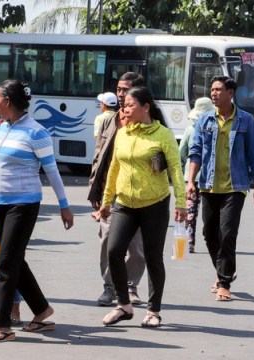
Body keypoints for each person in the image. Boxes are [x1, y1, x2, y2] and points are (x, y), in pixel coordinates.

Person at [0, 79, 74, 342]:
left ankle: (2, 326)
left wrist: (65, 206)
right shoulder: (3, 128)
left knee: (7, 262)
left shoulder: (36, 132)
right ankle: (41, 309)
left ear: (7, 101)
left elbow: (52, 171)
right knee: (15, 259)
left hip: (24, 204)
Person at [99, 86, 187, 328]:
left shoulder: (163, 135)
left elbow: (176, 171)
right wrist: (107, 201)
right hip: (124, 203)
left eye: (130, 104)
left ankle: (153, 311)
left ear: (145, 107)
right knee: (114, 251)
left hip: (154, 205)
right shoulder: (123, 133)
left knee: (153, 257)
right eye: (124, 104)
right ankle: (123, 305)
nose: (125, 109)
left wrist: (181, 203)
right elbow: (114, 169)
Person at [187, 75, 254, 302]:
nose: (214, 94)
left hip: (235, 186)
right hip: (209, 186)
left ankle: (224, 282)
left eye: (218, 90)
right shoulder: (205, 120)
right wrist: (190, 181)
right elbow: (195, 152)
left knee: (228, 233)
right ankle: (224, 270)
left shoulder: (246, 121)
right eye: (212, 89)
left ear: (230, 93)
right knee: (209, 234)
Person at [88, 72, 147, 307]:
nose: (121, 94)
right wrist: (95, 191)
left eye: (126, 90)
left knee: (137, 247)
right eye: (119, 89)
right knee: (109, 243)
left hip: (140, 196)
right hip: (110, 195)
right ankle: (110, 287)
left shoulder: (150, 123)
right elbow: (98, 157)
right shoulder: (109, 120)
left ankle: (131, 285)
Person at [179, 97, 214, 253]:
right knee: (210, 212)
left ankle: (190, 242)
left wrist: (182, 169)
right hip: (209, 177)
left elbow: (182, 152)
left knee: (191, 211)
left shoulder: (189, 129)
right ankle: (212, 240)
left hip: (190, 178)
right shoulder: (214, 128)